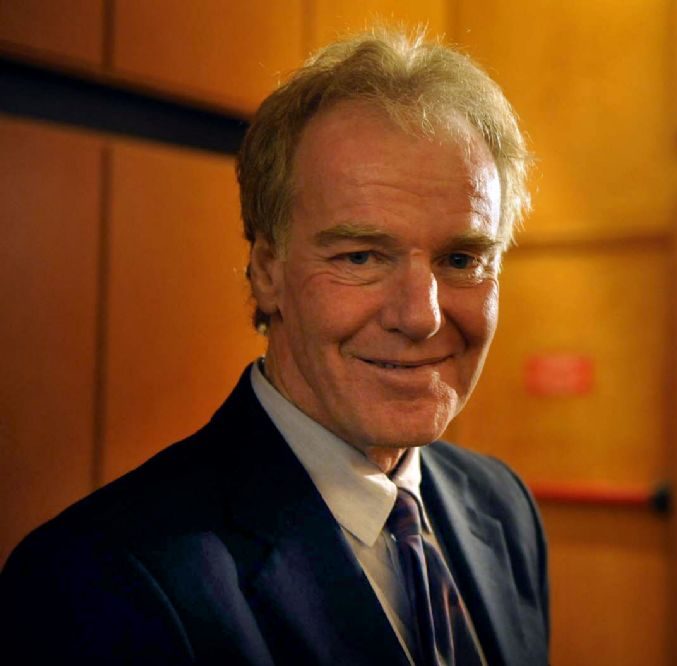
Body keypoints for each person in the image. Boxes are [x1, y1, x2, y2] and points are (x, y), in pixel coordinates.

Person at [0, 27, 549, 665]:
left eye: (461, 259)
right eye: (361, 256)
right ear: (266, 272)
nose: (421, 316)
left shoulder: (503, 508)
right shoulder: (97, 582)